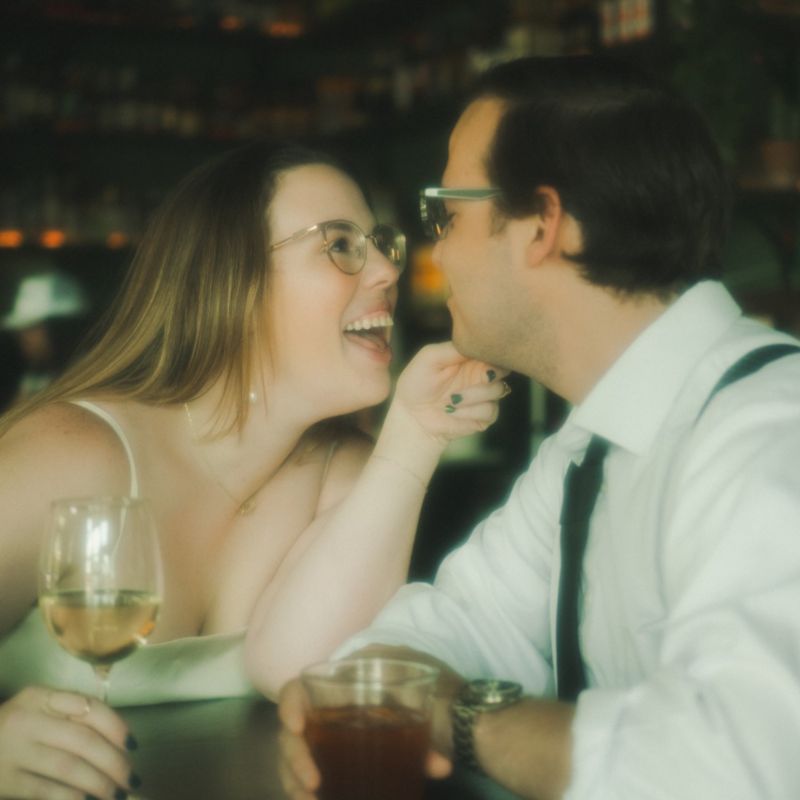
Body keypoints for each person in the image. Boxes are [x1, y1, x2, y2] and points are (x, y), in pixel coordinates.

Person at [277, 55, 800, 800]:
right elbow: (439, 631)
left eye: (447, 215)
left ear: (541, 226)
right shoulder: (585, 451)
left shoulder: (772, 430)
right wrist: (374, 689)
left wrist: (462, 717)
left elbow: (727, 769)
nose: (435, 251)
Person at [0, 141, 510, 800]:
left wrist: (415, 437)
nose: (389, 268)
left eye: (382, 245)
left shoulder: (346, 474)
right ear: (232, 281)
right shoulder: (72, 455)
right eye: (340, 244)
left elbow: (298, 671)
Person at [1, 268, 90, 406]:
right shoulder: (34, 377)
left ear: (60, 329)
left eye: (31, 327)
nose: (22, 337)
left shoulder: (89, 379)